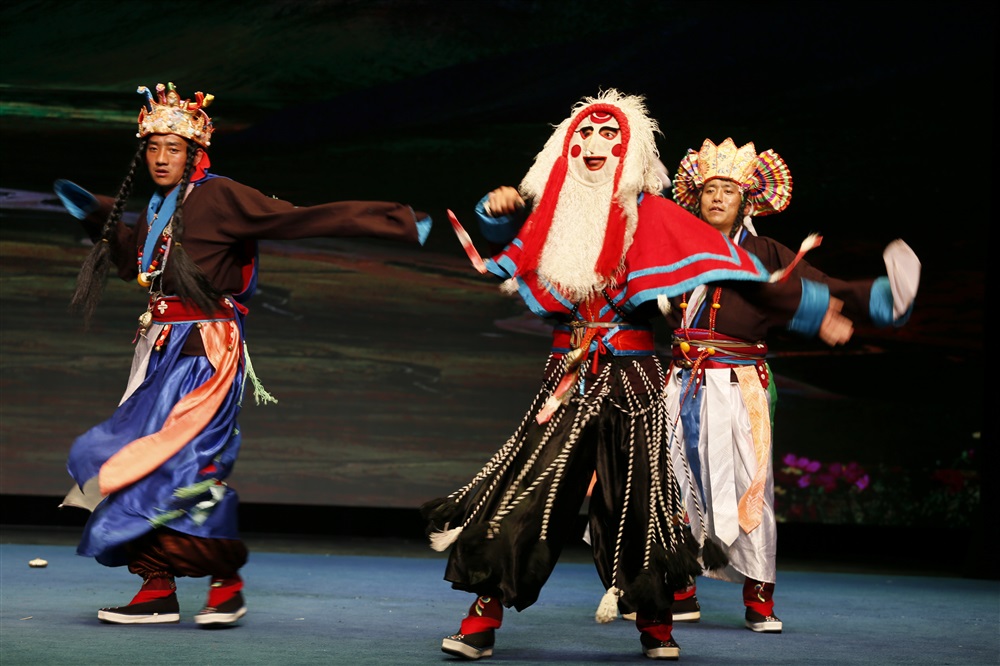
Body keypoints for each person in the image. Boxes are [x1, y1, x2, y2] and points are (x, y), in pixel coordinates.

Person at [421, 90, 861, 661]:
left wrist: (813, 310)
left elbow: (736, 271)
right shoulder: (554, 213)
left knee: (639, 501)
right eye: (584, 134)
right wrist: (496, 213)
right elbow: (520, 253)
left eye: (610, 135)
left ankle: (654, 619)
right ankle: (483, 615)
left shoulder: (652, 215)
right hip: (568, 375)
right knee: (530, 490)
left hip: (631, 376)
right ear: (564, 148)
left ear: (629, 152)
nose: (594, 144)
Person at [55, 82, 431, 627]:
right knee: (135, 461)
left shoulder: (220, 196)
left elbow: (295, 220)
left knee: (190, 467)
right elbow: (138, 263)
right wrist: (96, 214)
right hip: (159, 351)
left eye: (173, 149)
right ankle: (156, 587)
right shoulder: (161, 205)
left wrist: (391, 220)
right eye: (154, 148)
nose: (161, 158)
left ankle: (225, 584)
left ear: (193, 153)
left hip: (204, 353)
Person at [648, 137, 919, 633]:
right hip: (684, 383)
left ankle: (758, 594)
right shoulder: (678, 249)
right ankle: (680, 584)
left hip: (739, 384)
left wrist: (827, 311)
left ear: (745, 201)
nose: (717, 197)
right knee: (677, 483)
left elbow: (800, 289)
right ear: (697, 197)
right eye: (709, 189)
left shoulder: (763, 251)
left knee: (751, 484)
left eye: (729, 190)